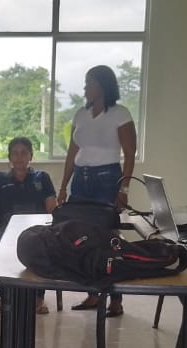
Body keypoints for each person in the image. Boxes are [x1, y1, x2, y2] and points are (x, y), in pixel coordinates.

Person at [58, 65, 138, 317]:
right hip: (81, 181)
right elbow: (72, 153)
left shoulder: (120, 114)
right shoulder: (80, 115)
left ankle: (115, 298)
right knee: (82, 237)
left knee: (107, 238)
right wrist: (63, 186)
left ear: (102, 85)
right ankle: (92, 293)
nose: (85, 88)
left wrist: (124, 188)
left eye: (89, 83)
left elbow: (129, 154)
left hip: (107, 179)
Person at [0, 137, 57, 314]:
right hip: (7, 230)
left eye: (24, 153)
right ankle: (6, 296)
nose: (19, 157)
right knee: (1, 242)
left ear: (31, 156)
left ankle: (38, 297)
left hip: (37, 229)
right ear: (9, 157)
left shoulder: (42, 178)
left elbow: (52, 207)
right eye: (15, 153)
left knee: (42, 245)